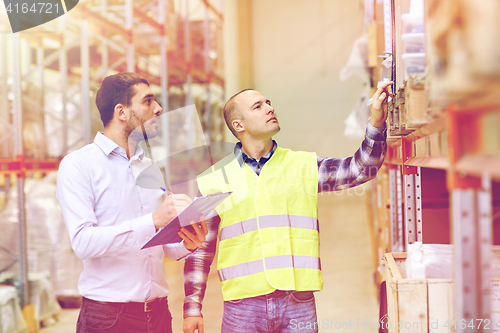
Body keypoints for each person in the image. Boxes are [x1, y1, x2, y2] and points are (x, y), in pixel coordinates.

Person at [182, 82, 393, 333]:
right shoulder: (214, 179)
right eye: (258, 106)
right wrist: (192, 307)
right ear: (238, 125)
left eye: (268, 102)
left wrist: (377, 123)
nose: (269, 108)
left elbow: (361, 169)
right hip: (242, 307)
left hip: (298, 303)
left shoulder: (302, 165)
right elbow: (200, 248)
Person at [56, 72, 208, 333]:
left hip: (158, 314)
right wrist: (153, 220)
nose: (158, 108)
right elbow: (82, 242)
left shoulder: (146, 165)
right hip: (109, 318)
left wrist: (186, 242)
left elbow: (162, 246)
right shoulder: (79, 165)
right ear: (121, 112)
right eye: (148, 101)